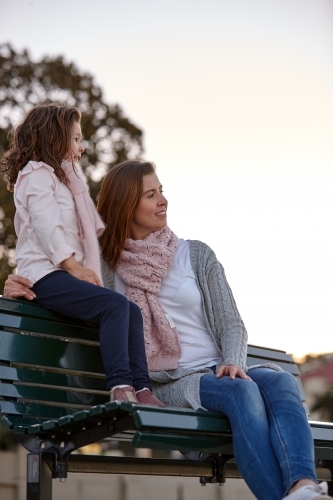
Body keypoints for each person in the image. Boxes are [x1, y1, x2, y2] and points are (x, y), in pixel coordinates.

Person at [3, 160, 332, 500]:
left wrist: (233, 360)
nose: (163, 201)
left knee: (280, 380)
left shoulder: (197, 254)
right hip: (170, 384)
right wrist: (21, 284)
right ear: (125, 206)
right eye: (150, 194)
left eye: (161, 191)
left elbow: (231, 322)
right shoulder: (99, 265)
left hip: (220, 369)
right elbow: (59, 289)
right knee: (241, 393)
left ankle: (303, 487)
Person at [0, 105, 164, 408]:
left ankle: (142, 388)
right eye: (76, 138)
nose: (81, 146)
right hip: (44, 276)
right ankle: (120, 387)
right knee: (114, 305)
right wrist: (73, 265)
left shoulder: (64, 180)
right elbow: (46, 225)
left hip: (60, 273)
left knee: (131, 311)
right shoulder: (36, 174)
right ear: (55, 137)